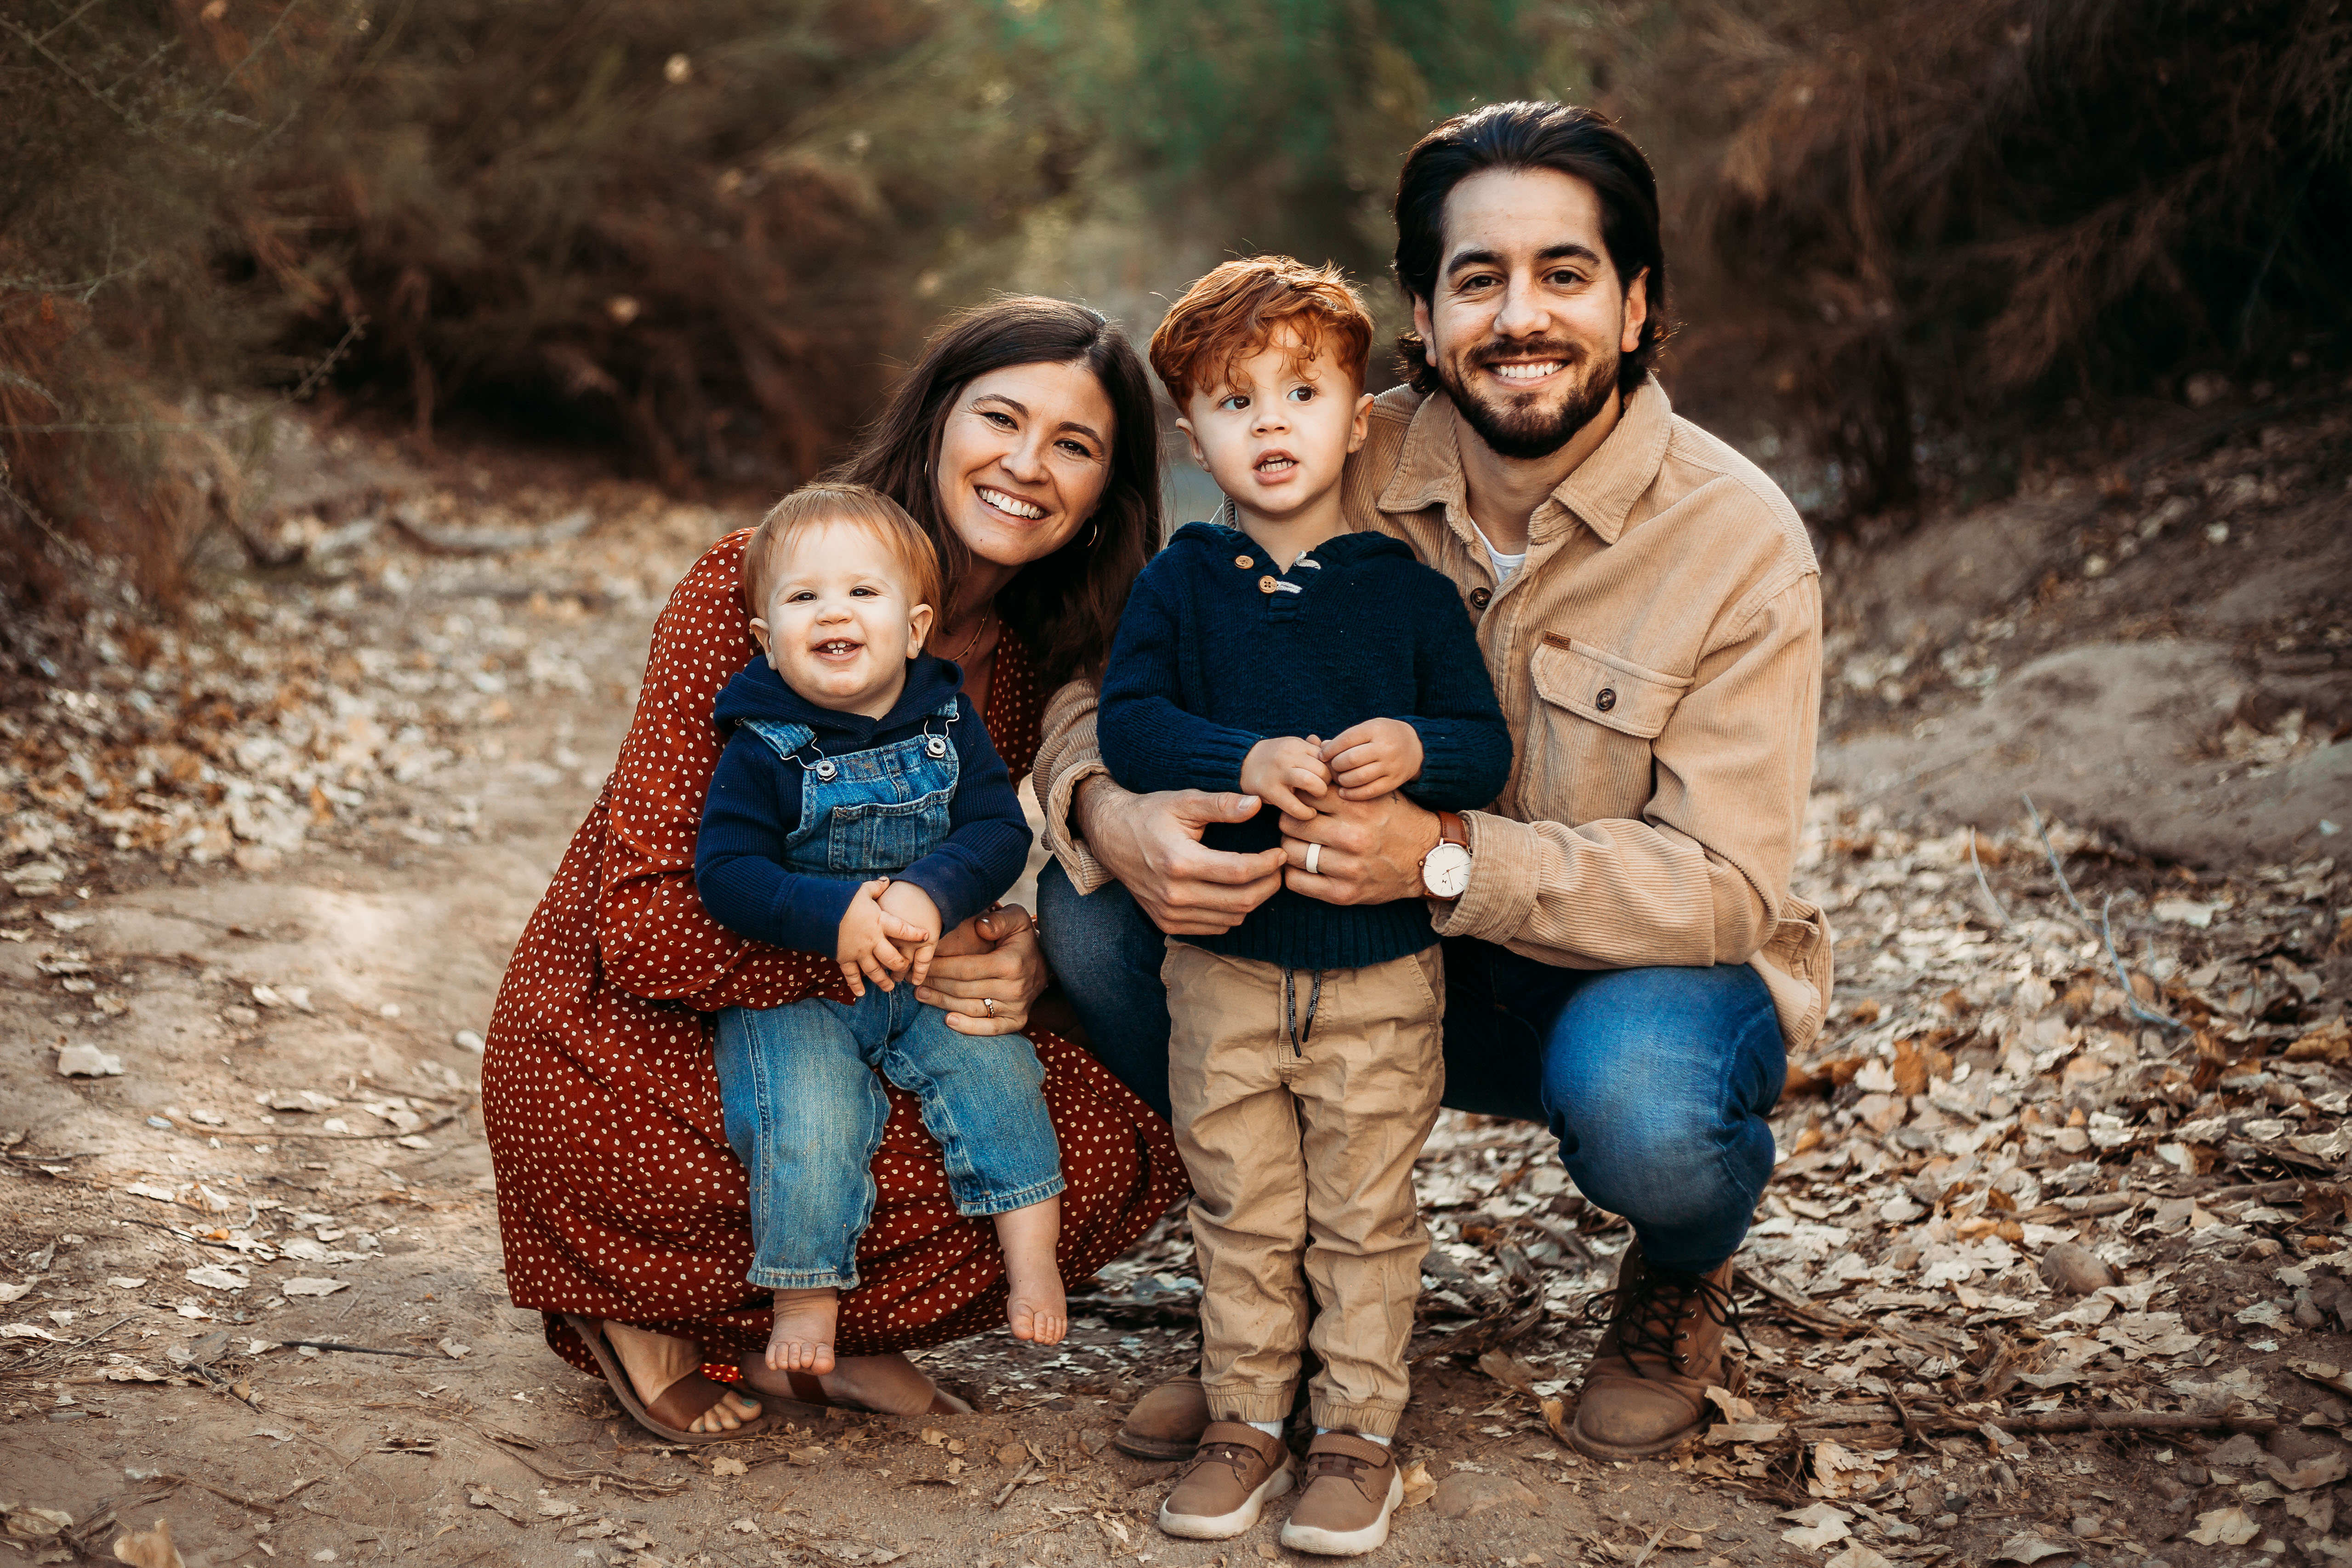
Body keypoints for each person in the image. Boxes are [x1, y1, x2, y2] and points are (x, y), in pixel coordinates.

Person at [1034, 101, 1832, 1465]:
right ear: (1419, 310)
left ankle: (1678, 1267)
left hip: (1614, 978)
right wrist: (1110, 807)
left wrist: (1446, 856)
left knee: (1650, 1109)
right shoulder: (1314, 432)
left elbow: (1724, 888)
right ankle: (1263, 1311)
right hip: (1347, 945)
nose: (1520, 316)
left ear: (1635, 306)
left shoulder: (1738, 542)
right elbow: (1110, 683)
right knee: (1098, 915)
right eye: (1479, 278)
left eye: (1563, 275)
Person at [482, 297, 1185, 1444]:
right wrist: (879, 934)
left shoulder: (1025, 663)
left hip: (860, 1017)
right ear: (934, 421)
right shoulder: (760, 585)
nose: (1026, 464)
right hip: (633, 1034)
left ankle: (801, 1336)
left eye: (1075, 444)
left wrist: (1016, 960)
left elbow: (973, 865)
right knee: (750, 1135)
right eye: (1000, 418)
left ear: (1107, 491)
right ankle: (646, 1309)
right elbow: (654, 928)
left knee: (1106, 1140)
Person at [1101, 257, 1512, 1556]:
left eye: (1299, 392)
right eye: (1232, 403)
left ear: (1357, 416)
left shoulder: (1405, 591)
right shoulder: (1179, 582)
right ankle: (1240, 1420)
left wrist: (1411, 745)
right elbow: (1128, 721)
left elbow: (1479, 746)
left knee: (1359, 1210)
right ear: (1192, 436)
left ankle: (1354, 1435)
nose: (1268, 423)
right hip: (1221, 965)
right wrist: (1235, 758)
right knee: (1236, 1201)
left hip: (1379, 973)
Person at [696, 483, 1065, 1380]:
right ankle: (805, 1291)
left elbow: (994, 831)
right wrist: (835, 912)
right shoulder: (763, 744)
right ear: (765, 639)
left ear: (913, 626)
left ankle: (1032, 1256)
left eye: (863, 592)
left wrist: (933, 895)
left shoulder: (948, 723)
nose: (834, 612)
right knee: (808, 1116)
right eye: (804, 597)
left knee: (1005, 1074)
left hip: (927, 971)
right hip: (801, 987)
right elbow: (728, 873)